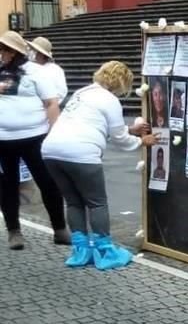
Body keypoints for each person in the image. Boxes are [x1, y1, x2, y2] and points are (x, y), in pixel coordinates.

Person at [41, 61, 155, 269]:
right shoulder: (109, 99)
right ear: (122, 83)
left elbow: (94, 124)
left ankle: (81, 251)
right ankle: (104, 251)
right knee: (97, 203)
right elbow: (119, 138)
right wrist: (141, 141)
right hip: (82, 152)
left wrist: (131, 129)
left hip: (51, 150)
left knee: (74, 202)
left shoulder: (83, 92)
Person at [0, 31, 69, 250]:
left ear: (17, 52)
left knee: (48, 182)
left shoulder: (37, 73)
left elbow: (51, 103)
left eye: (6, 50)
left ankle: (59, 229)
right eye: (1, 49)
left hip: (35, 137)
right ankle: (14, 232)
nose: (2, 53)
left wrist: (54, 134)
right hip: (3, 139)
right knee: (7, 186)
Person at [28, 37, 68, 105]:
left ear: (42, 53)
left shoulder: (55, 70)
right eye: (31, 49)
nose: (31, 52)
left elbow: (60, 93)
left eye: (34, 50)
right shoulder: (27, 67)